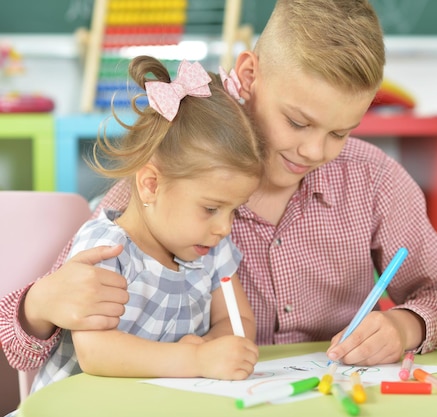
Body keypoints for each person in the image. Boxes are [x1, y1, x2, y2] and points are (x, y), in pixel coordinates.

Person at [0, 0, 437, 372]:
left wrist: (407, 325)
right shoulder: (175, 176)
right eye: (298, 122)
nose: (315, 152)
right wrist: (40, 305)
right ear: (250, 74)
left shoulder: (373, 181)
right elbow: (19, 344)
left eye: (340, 132)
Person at [28, 55, 264, 393]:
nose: (224, 228)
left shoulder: (211, 249)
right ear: (150, 184)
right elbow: (96, 352)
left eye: (234, 211)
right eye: (211, 208)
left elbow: (236, 320)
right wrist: (196, 361)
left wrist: (217, 347)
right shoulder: (107, 248)